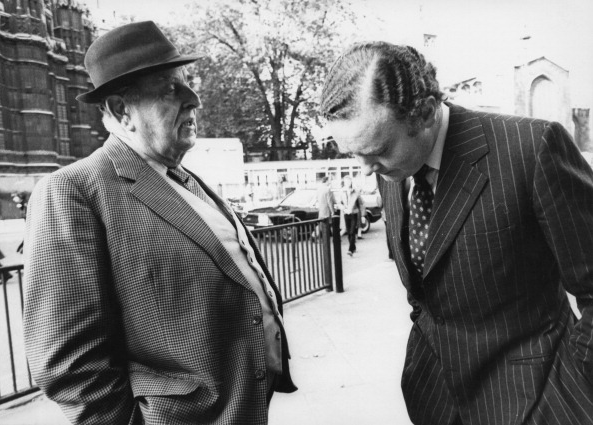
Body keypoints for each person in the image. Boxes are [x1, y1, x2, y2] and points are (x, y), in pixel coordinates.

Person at [23, 21, 296, 425]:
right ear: (120, 110)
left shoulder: (181, 175)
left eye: (186, 82)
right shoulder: (72, 190)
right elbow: (68, 365)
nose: (194, 99)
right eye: (170, 88)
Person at [320, 42, 593, 424]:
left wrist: (575, 384)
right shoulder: (391, 170)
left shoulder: (531, 148)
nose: (365, 169)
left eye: (377, 150)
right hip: (437, 402)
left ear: (426, 114)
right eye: (353, 153)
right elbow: (427, 294)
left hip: (539, 400)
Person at [339, 175, 363, 256]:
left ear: (351, 182)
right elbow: (339, 203)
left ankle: (350, 250)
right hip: (346, 214)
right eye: (346, 181)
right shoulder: (342, 191)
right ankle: (353, 246)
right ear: (344, 182)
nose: (347, 183)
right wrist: (344, 209)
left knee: (352, 231)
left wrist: (363, 215)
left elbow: (361, 204)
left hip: (354, 213)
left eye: (349, 181)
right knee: (349, 232)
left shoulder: (356, 191)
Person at [315, 176, 335, 241]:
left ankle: (316, 236)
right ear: (326, 181)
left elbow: (317, 199)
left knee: (321, 224)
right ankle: (331, 238)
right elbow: (329, 201)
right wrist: (332, 210)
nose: (330, 182)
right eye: (329, 180)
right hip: (326, 210)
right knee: (328, 224)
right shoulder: (327, 189)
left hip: (321, 210)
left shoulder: (319, 189)